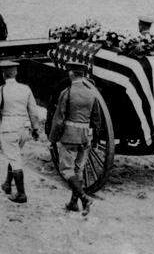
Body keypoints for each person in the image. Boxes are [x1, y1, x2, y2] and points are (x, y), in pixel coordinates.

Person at [0, 60, 41, 203]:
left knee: (14, 159)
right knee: (14, 155)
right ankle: (7, 184)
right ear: (16, 73)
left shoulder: (1, 90)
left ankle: (21, 194)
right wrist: (35, 129)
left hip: (9, 128)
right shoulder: (26, 89)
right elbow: (33, 112)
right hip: (24, 128)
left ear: (4, 74)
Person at [49, 62, 100, 214]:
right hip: (85, 138)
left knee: (66, 170)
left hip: (70, 136)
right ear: (83, 75)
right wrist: (95, 140)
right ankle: (73, 203)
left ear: (71, 74)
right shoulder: (92, 94)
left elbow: (59, 119)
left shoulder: (67, 92)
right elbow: (97, 121)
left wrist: (53, 139)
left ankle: (84, 198)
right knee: (79, 171)